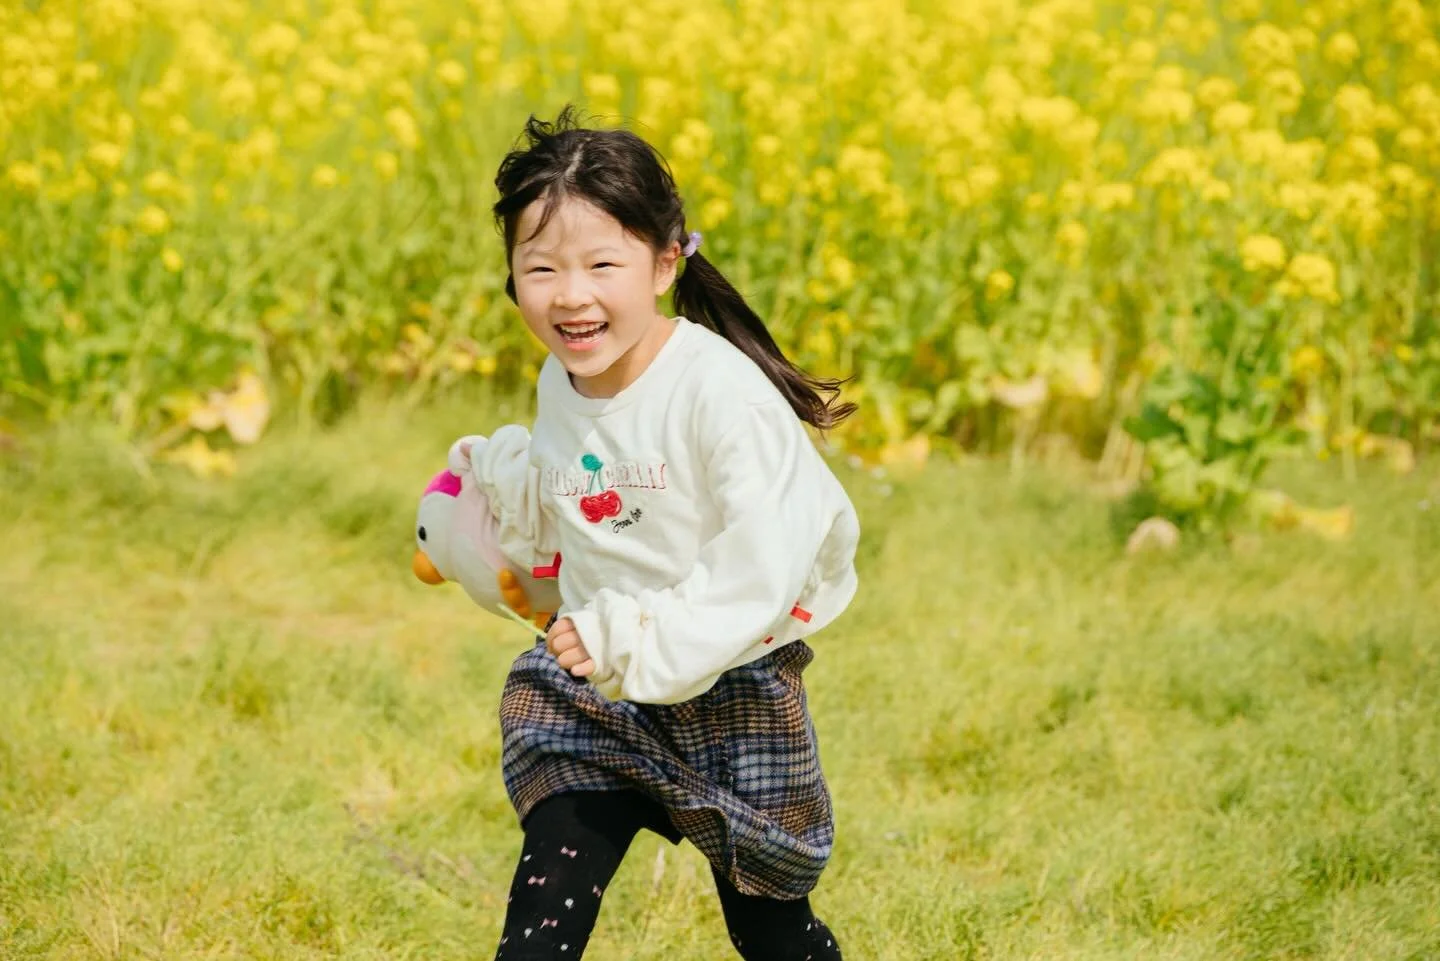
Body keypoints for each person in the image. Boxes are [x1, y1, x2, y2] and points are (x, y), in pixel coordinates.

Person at [464, 106, 860, 960]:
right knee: (549, 891)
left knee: (769, 923)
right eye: (540, 268)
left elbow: (760, 569)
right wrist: (497, 494)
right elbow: (581, 492)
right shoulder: (561, 377)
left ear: (666, 261)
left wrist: (626, 631)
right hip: (601, 687)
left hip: (735, 680)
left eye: (602, 263)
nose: (571, 295)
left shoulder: (723, 395)